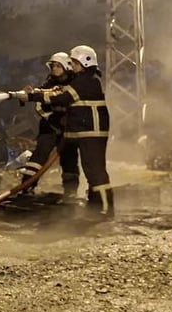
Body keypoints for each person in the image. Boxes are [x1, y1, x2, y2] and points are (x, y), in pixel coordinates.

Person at [27, 44, 112, 218]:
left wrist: (33, 96)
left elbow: (63, 98)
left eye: (74, 63)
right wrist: (36, 94)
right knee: (91, 170)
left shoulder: (87, 80)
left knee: (95, 171)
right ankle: (96, 208)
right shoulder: (81, 79)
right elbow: (58, 93)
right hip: (83, 131)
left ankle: (105, 209)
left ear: (84, 62)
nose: (71, 66)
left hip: (91, 132)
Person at [15, 52, 80, 197]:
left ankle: (71, 193)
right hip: (49, 127)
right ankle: (27, 187)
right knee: (39, 156)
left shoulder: (75, 84)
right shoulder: (49, 84)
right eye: (53, 66)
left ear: (67, 67)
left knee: (69, 160)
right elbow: (40, 104)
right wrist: (53, 119)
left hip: (69, 129)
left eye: (58, 66)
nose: (54, 69)